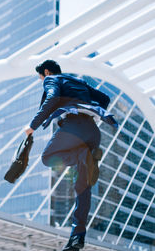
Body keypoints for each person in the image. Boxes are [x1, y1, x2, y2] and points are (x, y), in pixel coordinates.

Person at [25, 60, 117, 251]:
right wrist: (87, 108)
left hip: (73, 128)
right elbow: (105, 99)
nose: (42, 80)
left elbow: (51, 99)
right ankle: (77, 238)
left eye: (41, 77)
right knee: (82, 188)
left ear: (47, 72)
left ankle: (83, 154)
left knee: (48, 157)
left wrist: (32, 126)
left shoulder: (52, 79)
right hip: (93, 132)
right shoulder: (79, 82)